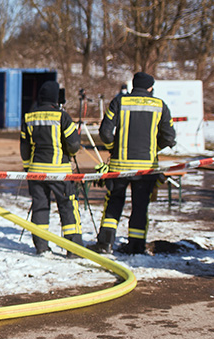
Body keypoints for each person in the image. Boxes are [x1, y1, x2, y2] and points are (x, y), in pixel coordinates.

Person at [90, 72, 175, 255]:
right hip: (146, 169)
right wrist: (153, 149)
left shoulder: (120, 101)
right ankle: (136, 246)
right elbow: (169, 137)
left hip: (120, 167)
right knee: (140, 206)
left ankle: (105, 243)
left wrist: (114, 148)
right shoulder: (160, 105)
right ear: (150, 87)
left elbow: (105, 132)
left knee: (113, 203)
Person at [20, 80, 83, 256]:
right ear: (56, 98)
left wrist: (28, 168)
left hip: (36, 172)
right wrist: (69, 152)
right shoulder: (62, 116)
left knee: (40, 207)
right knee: (67, 207)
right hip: (59, 172)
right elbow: (74, 144)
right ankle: (73, 248)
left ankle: (41, 246)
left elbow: (24, 147)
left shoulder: (29, 117)